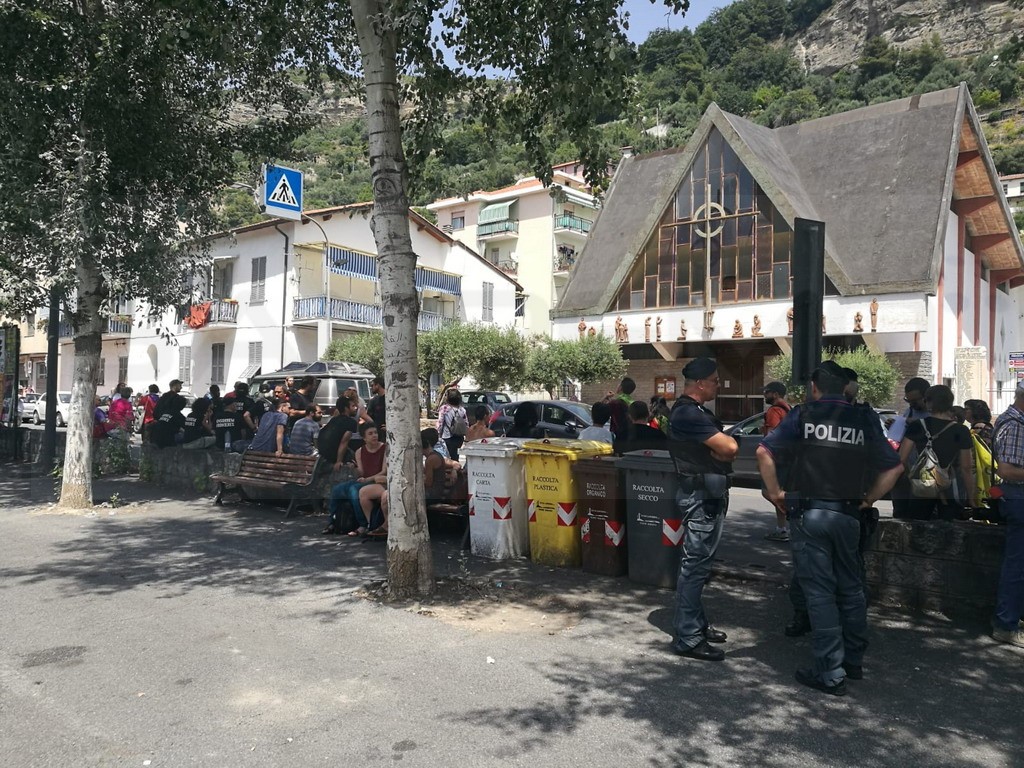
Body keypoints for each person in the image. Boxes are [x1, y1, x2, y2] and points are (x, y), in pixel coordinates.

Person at [757, 361, 903, 695]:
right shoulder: (864, 418)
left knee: (820, 593)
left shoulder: (803, 415)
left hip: (810, 516)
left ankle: (830, 671)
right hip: (849, 515)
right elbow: (894, 468)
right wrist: (869, 499)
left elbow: (765, 452)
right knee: (851, 589)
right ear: (844, 388)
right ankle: (853, 661)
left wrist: (777, 494)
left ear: (815, 387)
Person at [667, 358, 738, 662]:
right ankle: (688, 638)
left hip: (706, 495)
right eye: (715, 381)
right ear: (700, 383)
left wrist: (721, 451)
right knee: (695, 567)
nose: (718, 385)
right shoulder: (687, 413)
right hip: (699, 498)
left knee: (699, 566)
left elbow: (723, 450)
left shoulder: (697, 412)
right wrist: (722, 451)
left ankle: (696, 623)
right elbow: (729, 448)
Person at [898, 385, 974, 521]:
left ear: (928, 402)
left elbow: (902, 459)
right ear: (950, 403)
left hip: (922, 485)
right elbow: (966, 468)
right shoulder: (961, 430)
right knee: (950, 528)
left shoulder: (917, 425)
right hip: (949, 487)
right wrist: (972, 498)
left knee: (918, 526)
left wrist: (910, 478)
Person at [366, 429, 447, 540]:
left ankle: (388, 526)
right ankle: (388, 525)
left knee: (398, 497)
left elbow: (428, 483)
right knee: (387, 496)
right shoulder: (432, 457)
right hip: (428, 491)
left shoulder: (431, 459)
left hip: (432, 494)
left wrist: (410, 481)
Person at [991, 385, 1024, 648]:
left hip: (1014, 497)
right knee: (1017, 565)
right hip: (1018, 496)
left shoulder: (1009, 420)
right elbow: (1007, 470)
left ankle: (1010, 619)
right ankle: (1005, 624)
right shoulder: (1015, 425)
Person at [324, 423, 388, 536]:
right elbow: (361, 472)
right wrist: (353, 468)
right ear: (364, 438)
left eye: (375, 433)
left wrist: (367, 479)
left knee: (354, 490)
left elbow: (383, 471)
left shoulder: (385, 448)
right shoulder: (359, 451)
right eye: (370, 434)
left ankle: (363, 524)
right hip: (364, 480)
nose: (374, 436)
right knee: (337, 489)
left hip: (377, 481)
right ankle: (332, 521)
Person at [762, 382, 793, 542]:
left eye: (766, 392)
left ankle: (793, 514)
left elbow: (773, 436)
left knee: (768, 492)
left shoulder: (774, 411)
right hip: (789, 458)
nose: (764, 395)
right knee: (779, 493)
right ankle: (781, 529)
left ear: (775, 394)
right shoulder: (789, 409)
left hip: (776, 458)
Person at [316, 396, 359, 471]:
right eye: (353, 406)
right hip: (333, 455)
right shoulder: (351, 422)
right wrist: (339, 461)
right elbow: (344, 442)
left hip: (322, 454)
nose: (356, 408)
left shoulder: (334, 419)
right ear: (346, 408)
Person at [437, 389, 468, 462]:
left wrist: (438, 434)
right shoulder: (462, 409)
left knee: (446, 459)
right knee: (455, 457)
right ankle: (456, 468)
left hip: (447, 436)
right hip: (459, 437)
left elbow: (440, 423)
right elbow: (466, 423)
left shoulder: (444, 408)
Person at [607, 377, 636, 443]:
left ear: (620, 387)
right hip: (630, 435)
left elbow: (600, 410)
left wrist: (606, 397)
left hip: (618, 436)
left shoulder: (616, 402)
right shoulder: (633, 402)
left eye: (619, 384)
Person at [367, 376, 387, 442]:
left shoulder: (389, 399)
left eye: (372, 385)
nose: (371, 388)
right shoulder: (373, 401)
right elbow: (369, 416)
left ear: (377, 385)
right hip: (377, 434)